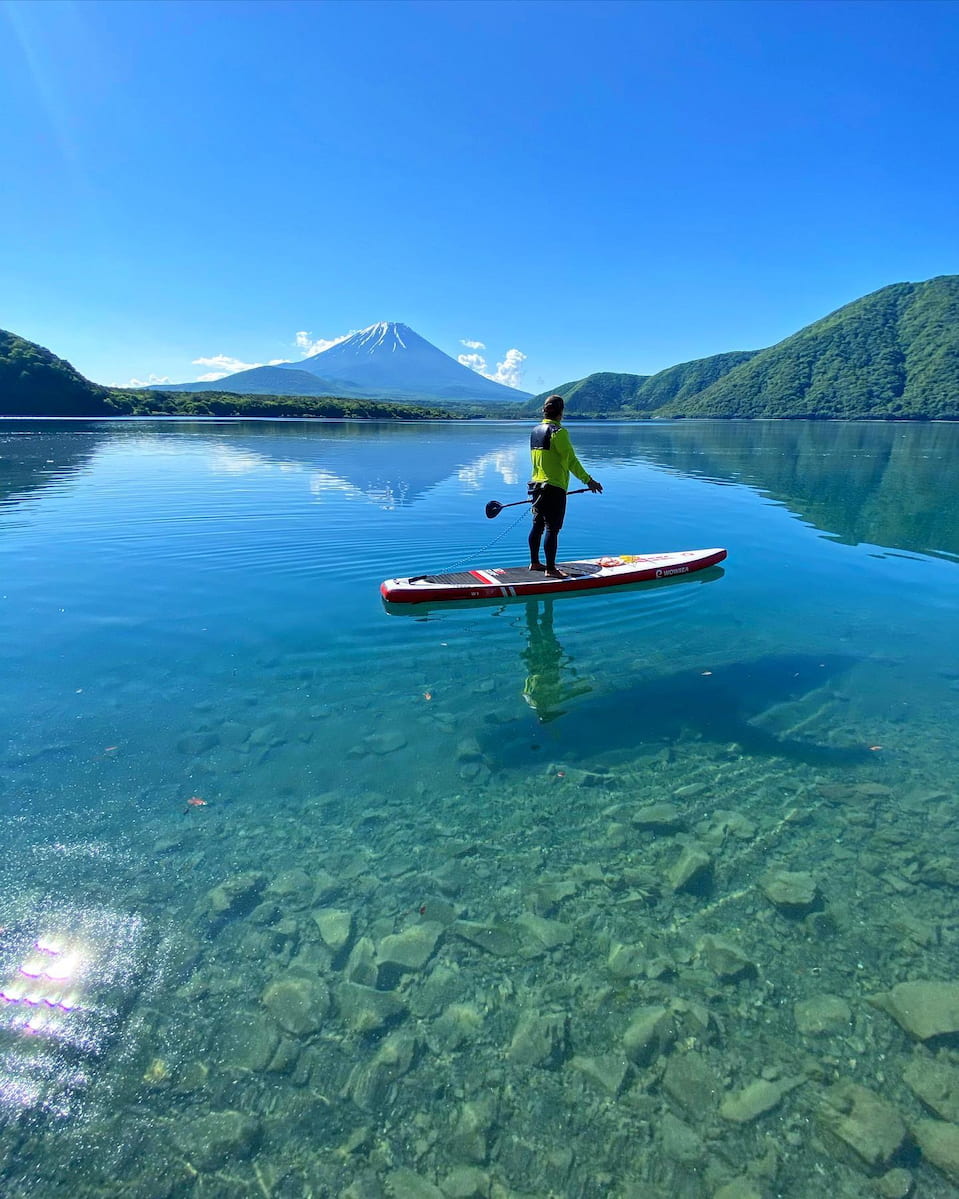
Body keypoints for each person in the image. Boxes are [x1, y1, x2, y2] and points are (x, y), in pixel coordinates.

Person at [528, 394, 602, 577]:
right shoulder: (558, 433)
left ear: (544, 410)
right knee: (552, 529)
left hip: (536, 486)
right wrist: (589, 480)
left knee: (538, 525)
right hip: (553, 487)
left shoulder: (536, 430)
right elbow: (571, 461)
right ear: (561, 412)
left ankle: (535, 563)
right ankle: (551, 569)